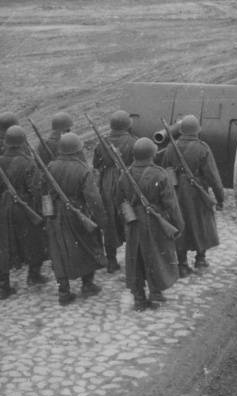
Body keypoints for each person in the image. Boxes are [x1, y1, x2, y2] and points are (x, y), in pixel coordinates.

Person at [117, 138, 184, 311]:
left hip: (133, 224)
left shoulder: (125, 174)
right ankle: (155, 293)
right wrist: (178, 225)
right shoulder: (160, 174)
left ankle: (139, 298)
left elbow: (119, 202)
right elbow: (172, 205)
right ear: (152, 153)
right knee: (156, 256)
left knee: (135, 259)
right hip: (154, 223)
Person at [46, 132, 106, 305]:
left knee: (59, 250)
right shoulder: (82, 169)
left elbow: (44, 194)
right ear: (77, 149)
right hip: (78, 214)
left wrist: (48, 216)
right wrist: (101, 221)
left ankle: (63, 292)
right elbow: (94, 199)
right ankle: (87, 284)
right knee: (88, 245)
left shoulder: (50, 166)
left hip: (56, 215)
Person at [162, 115, 224, 277]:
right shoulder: (203, 148)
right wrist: (220, 198)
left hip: (176, 193)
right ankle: (200, 259)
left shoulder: (170, 147)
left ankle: (182, 264)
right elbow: (213, 177)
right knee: (200, 222)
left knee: (179, 223)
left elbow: (164, 171)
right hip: (197, 192)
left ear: (181, 131)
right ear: (197, 130)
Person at [0, 126, 48, 298]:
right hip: (24, 207)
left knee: (4, 245)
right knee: (34, 240)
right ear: (22, 143)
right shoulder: (28, 162)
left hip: (3, 207)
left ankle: (3, 286)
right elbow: (35, 189)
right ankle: (33, 276)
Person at [93, 110, 137, 273]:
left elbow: (96, 165)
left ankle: (111, 261)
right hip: (127, 184)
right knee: (131, 219)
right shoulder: (134, 142)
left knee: (109, 222)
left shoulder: (101, 143)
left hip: (106, 185)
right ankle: (133, 260)